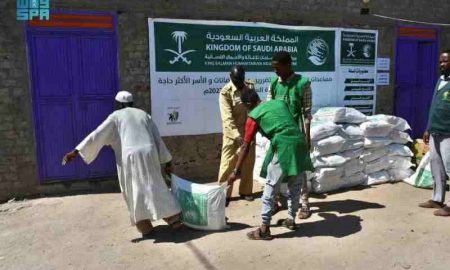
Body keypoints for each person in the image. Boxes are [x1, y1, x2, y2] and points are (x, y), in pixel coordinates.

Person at [63, 91, 182, 237]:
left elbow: (97, 134)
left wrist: (76, 151)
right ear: (132, 103)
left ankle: (145, 228)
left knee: (134, 191)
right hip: (149, 153)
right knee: (155, 185)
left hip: (131, 157)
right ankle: (173, 219)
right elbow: (157, 138)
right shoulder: (144, 114)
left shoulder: (115, 116)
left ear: (118, 104)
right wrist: (167, 161)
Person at [228, 89, 314, 240]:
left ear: (247, 104)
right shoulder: (279, 103)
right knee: (295, 185)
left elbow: (246, 145)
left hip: (284, 146)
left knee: (270, 187)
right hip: (299, 143)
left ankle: (264, 229)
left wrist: (236, 170)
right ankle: (291, 220)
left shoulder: (253, 116)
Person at [267, 51, 313, 219]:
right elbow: (269, 110)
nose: (275, 71)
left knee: (298, 169)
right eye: (273, 68)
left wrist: (307, 137)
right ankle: (277, 201)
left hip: (295, 135)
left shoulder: (303, 83)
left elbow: (307, 113)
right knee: (275, 170)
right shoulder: (273, 84)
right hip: (278, 135)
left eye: (277, 68)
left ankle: (305, 204)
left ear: (288, 65)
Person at [218, 65, 256, 204]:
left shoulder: (249, 87)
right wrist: (237, 136)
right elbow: (227, 118)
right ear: (230, 77)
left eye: (241, 79)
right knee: (227, 165)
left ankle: (246, 191)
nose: (239, 82)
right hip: (231, 135)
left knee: (248, 163)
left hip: (248, 132)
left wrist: (251, 132)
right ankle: (223, 194)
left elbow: (254, 107)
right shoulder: (225, 92)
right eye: (236, 80)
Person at [419, 50, 450, 216]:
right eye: (440, 62)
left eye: (445, 61)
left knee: (449, 166)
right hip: (435, 130)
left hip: (448, 132)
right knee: (436, 165)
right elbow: (434, 106)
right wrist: (428, 128)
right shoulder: (440, 81)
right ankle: (437, 198)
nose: (442, 65)